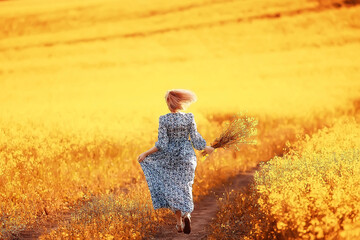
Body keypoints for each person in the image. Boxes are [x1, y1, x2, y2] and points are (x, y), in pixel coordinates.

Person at [137, 89, 214, 234]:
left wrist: (145, 153)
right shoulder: (189, 117)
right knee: (186, 186)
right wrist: (207, 147)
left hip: (170, 159)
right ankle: (187, 214)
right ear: (181, 102)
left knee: (172, 190)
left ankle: (179, 222)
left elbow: (162, 144)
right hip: (187, 157)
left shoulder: (164, 119)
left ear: (168, 103)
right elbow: (196, 140)